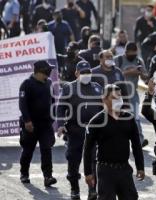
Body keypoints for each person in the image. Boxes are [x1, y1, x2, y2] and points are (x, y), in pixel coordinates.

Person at [84, 84, 145, 200]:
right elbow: (87, 148)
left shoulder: (129, 118)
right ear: (104, 99)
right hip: (105, 170)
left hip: (124, 169)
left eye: (120, 97)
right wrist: (88, 172)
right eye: (114, 97)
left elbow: (136, 144)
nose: (119, 100)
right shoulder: (96, 121)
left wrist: (140, 167)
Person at [57, 61, 102, 200]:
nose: (86, 75)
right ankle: (74, 188)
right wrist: (60, 124)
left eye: (88, 72)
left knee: (94, 161)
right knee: (73, 160)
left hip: (94, 132)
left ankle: (92, 190)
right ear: (77, 73)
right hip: (75, 130)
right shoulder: (68, 88)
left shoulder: (98, 87)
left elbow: (104, 106)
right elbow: (60, 107)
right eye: (83, 72)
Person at [19, 60, 57, 187]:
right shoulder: (27, 84)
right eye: (47, 70)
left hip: (45, 124)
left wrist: (52, 118)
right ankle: (24, 173)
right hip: (31, 124)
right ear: (40, 71)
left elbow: (52, 101)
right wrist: (27, 121)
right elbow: (22, 104)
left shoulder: (49, 83)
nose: (49, 73)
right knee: (28, 149)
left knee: (47, 149)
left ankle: (48, 176)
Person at [114, 42, 149, 147]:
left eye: (135, 53)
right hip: (118, 95)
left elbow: (145, 77)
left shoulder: (138, 60)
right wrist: (128, 72)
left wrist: (141, 73)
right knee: (116, 119)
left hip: (133, 95)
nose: (133, 55)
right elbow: (114, 75)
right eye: (131, 53)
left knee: (136, 119)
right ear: (126, 52)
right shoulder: (118, 60)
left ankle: (140, 140)